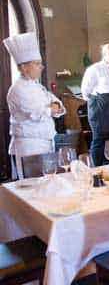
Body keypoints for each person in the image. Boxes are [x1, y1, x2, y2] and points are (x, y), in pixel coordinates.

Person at [3, 32, 65, 179]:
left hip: (47, 143)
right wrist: (49, 108)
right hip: (29, 146)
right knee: (33, 188)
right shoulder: (17, 89)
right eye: (37, 64)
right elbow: (36, 113)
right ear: (24, 67)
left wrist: (53, 107)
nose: (41, 67)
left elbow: (57, 104)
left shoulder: (37, 86)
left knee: (48, 184)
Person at [81, 43, 109, 167]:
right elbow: (85, 91)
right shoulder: (94, 69)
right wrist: (97, 103)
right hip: (100, 107)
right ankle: (96, 170)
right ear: (104, 54)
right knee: (99, 139)